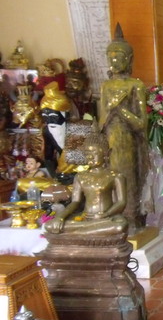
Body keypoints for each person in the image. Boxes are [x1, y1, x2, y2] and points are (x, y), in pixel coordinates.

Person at [99, 23, 149, 231]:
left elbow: (141, 123)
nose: (114, 61)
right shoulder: (105, 86)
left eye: (119, 57)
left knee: (128, 179)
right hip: (110, 143)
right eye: (110, 57)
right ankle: (112, 218)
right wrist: (111, 109)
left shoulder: (135, 85)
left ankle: (132, 218)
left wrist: (121, 109)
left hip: (128, 141)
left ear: (129, 59)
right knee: (110, 180)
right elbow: (101, 123)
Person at [44, 131, 128, 235]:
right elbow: (75, 202)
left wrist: (106, 214)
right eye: (87, 154)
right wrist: (60, 217)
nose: (90, 157)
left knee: (119, 226)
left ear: (107, 154)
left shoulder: (115, 176)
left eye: (94, 153)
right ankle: (90, 231)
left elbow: (121, 202)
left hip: (106, 219)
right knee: (49, 225)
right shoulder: (80, 176)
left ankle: (82, 232)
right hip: (85, 217)